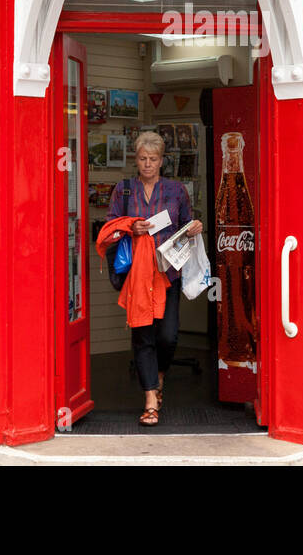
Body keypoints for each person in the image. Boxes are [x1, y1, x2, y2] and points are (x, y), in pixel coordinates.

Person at [106, 131, 202, 426]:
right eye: (143, 159)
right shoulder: (123, 190)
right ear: (136, 159)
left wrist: (195, 226)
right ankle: (150, 399)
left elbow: (187, 223)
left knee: (168, 335)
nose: (148, 164)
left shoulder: (176, 191)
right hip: (138, 274)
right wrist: (129, 228)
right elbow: (109, 229)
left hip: (167, 272)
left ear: (162, 161)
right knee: (143, 335)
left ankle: (159, 374)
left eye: (153, 159)